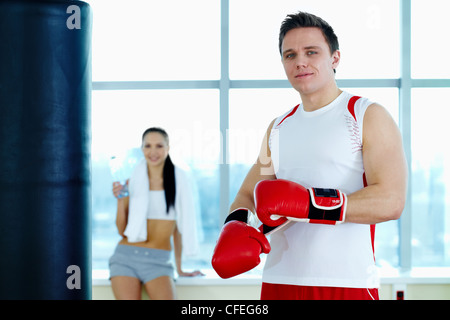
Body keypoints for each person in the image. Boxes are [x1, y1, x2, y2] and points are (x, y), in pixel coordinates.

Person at [212, 11, 407, 300]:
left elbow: (391, 201)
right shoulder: (278, 127)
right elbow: (247, 195)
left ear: (335, 58)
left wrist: (310, 204)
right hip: (278, 282)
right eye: (289, 55)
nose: (300, 61)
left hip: (346, 284)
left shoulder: (366, 115)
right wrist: (236, 225)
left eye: (311, 52)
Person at [109, 127, 203, 300]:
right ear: (142, 149)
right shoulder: (132, 182)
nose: (153, 151)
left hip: (159, 262)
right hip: (125, 257)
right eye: (148, 146)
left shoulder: (179, 180)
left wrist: (180, 268)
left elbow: (180, 227)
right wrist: (120, 200)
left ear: (168, 148)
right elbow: (122, 231)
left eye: (159, 146)